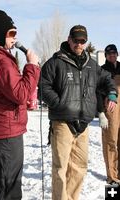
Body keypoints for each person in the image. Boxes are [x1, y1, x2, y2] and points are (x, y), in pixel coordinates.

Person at [38, 25, 117, 200]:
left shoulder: (91, 65)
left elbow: (106, 78)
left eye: (82, 41)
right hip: (62, 123)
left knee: (79, 168)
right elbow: (43, 87)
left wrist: (112, 93)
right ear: (69, 39)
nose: (79, 44)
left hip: (83, 124)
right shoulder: (55, 62)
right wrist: (60, 104)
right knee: (60, 168)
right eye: (76, 40)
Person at [0, 10, 40, 200]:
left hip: (2, 128)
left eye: (15, 33)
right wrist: (32, 66)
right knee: (8, 186)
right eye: (11, 33)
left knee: (0, 182)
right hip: (5, 131)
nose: (15, 38)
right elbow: (20, 94)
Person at [100, 44, 120, 185]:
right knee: (110, 140)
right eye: (109, 53)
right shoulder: (102, 70)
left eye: (114, 53)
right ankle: (112, 175)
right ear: (106, 55)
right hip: (111, 108)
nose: (112, 55)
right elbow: (98, 91)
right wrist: (101, 111)